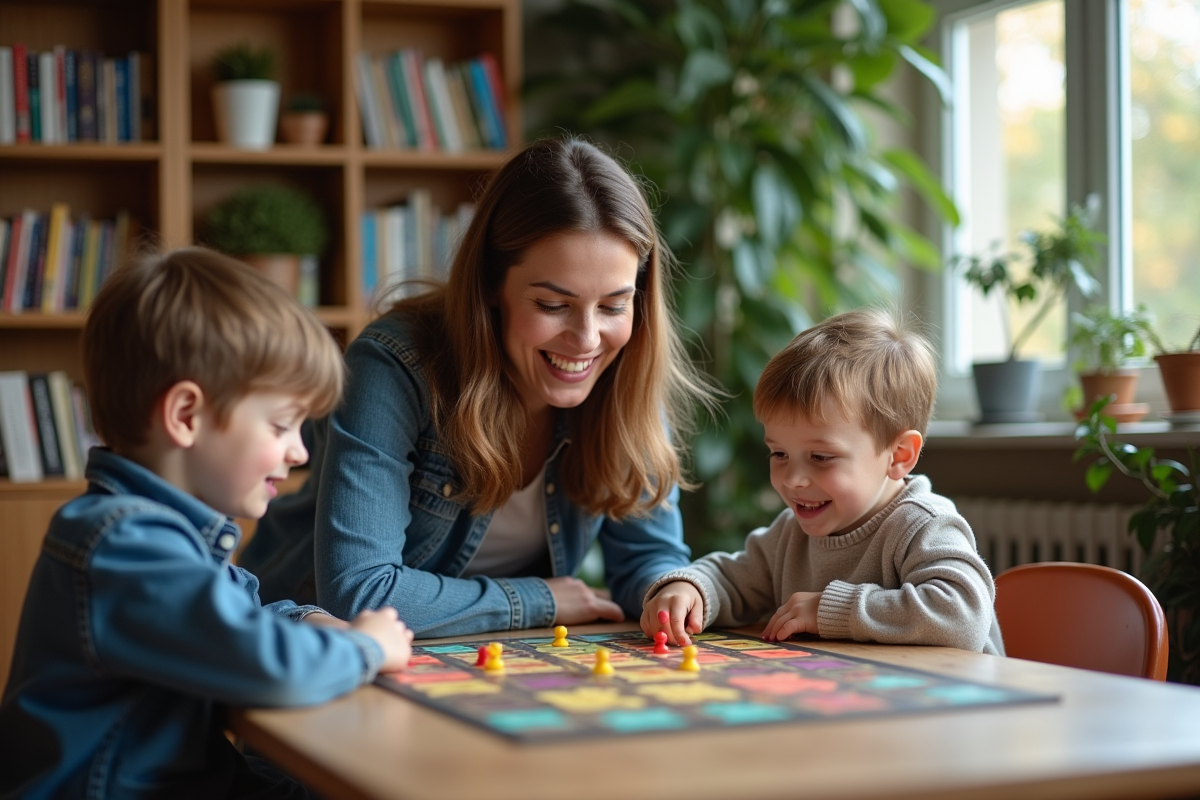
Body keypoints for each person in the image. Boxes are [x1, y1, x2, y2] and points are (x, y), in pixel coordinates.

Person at [240, 137, 716, 636]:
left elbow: (646, 556)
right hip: (305, 644)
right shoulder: (393, 365)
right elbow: (361, 592)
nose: (588, 339)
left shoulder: (621, 369)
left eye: (614, 305)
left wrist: (671, 588)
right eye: (553, 305)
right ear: (491, 284)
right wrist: (537, 600)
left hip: (484, 656)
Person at [0, 248, 414, 800]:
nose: (298, 453)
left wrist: (310, 619)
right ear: (186, 416)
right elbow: (262, 663)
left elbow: (234, 619)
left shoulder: (167, 536)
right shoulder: (124, 544)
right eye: (281, 425)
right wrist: (366, 647)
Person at [641, 308, 1004, 655]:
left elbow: (964, 616)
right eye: (779, 454)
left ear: (899, 455)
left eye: (821, 457)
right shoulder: (791, 535)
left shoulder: (923, 524)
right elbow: (731, 578)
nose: (794, 479)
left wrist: (830, 610)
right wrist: (690, 588)